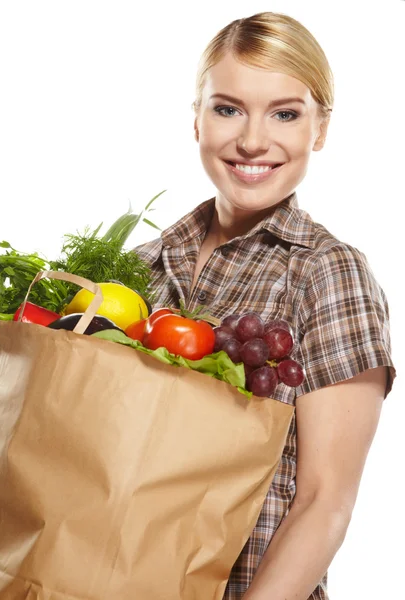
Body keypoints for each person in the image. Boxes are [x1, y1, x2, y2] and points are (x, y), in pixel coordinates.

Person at [134, 12, 396, 600]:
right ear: (195, 118)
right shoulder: (142, 265)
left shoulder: (328, 273)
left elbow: (325, 500)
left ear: (319, 129)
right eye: (227, 108)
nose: (253, 140)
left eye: (285, 113)